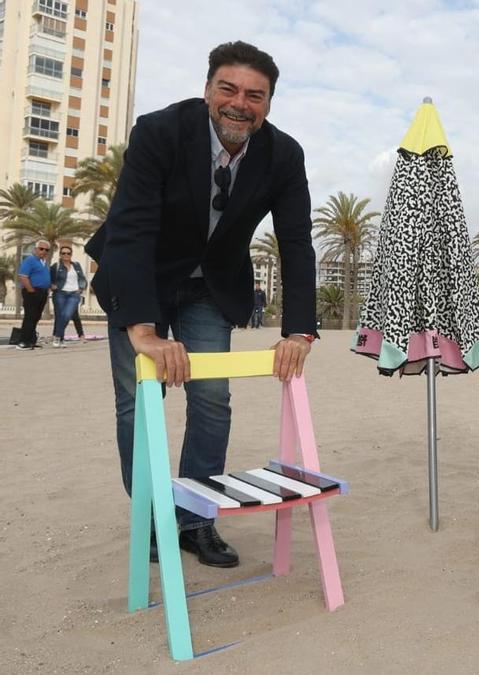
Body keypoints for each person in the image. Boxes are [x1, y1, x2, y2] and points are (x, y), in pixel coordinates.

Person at [84, 41, 318, 568]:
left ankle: (196, 521)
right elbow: (132, 227)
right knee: (137, 400)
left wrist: (300, 329)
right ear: (208, 89)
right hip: (141, 274)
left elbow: (297, 241)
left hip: (210, 287)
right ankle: (149, 515)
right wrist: (142, 328)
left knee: (212, 399)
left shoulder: (284, 155)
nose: (240, 103)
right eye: (228, 89)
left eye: (255, 95)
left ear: (269, 103)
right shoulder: (160, 131)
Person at [48, 244, 88, 348]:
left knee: (67, 315)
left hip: (74, 294)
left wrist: (81, 288)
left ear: (71, 254)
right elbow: (49, 279)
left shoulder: (76, 265)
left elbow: (82, 278)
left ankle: (57, 336)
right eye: (63, 253)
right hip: (60, 293)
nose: (66, 255)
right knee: (60, 316)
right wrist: (52, 285)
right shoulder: (56, 266)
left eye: (68, 253)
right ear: (60, 254)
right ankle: (61, 340)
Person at [16, 239, 52, 350]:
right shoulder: (30, 260)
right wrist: (31, 290)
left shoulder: (43, 263)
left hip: (42, 292)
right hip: (32, 292)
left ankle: (31, 341)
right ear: (35, 249)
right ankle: (23, 342)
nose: (44, 251)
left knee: (36, 317)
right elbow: (23, 276)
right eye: (41, 249)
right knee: (30, 317)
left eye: (47, 250)